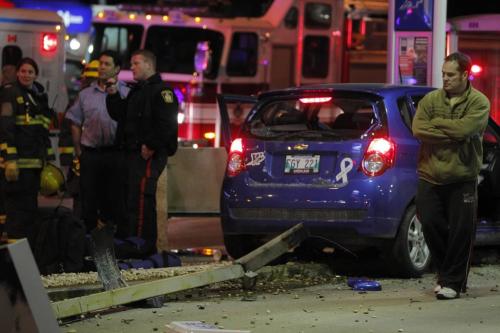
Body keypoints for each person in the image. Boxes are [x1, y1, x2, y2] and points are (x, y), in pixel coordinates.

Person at [412, 52, 490, 300]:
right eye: (443, 74)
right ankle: (446, 275)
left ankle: (453, 283)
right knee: (431, 224)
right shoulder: (430, 100)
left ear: (464, 75)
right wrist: (453, 133)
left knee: (461, 232)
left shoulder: (479, 102)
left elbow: (467, 129)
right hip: (430, 174)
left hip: (462, 177)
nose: (445, 79)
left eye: (450, 75)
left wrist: (438, 125)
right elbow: (419, 129)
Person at [106, 49, 178, 255]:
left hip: (148, 155)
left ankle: (142, 246)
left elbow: (168, 124)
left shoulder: (162, 92)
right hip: (131, 154)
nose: (132, 67)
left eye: (136, 63)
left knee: (141, 201)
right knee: (130, 199)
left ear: (148, 65)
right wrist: (112, 95)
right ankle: (130, 244)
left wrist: (151, 145)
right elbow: (121, 114)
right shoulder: (138, 90)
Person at [65, 51, 129, 234]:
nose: (101, 67)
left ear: (117, 69)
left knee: (114, 200)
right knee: (89, 201)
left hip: (115, 155)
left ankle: (113, 243)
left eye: (107, 64)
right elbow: (75, 122)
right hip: (91, 155)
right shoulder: (85, 95)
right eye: (101, 63)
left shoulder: (126, 92)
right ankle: (87, 243)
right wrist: (79, 151)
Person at [0, 58, 55, 239]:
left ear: (36, 75)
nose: (26, 75)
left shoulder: (37, 96)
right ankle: (14, 261)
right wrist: (10, 160)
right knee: (16, 213)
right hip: (16, 166)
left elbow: (42, 132)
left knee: (30, 210)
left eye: (30, 72)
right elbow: (6, 127)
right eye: (23, 71)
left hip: (33, 166)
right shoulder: (9, 93)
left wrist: (49, 162)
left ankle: (28, 254)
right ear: (17, 73)